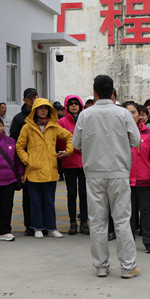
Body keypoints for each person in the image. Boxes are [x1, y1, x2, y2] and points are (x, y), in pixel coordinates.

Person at [73, 75, 141, 279]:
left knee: (97, 222)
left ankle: (101, 266)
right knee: (122, 220)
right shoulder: (123, 113)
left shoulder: (85, 115)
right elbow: (136, 140)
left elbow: (76, 144)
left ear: (94, 93)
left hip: (94, 174)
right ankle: (128, 267)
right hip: (118, 172)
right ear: (112, 92)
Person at [16, 98, 73, 238]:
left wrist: (67, 151)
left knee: (49, 202)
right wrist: (28, 160)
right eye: (40, 108)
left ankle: (52, 228)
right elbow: (19, 146)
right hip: (33, 171)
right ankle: (38, 228)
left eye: (45, 108)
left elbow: (70, 136)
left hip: (50, 170)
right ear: (35, 110)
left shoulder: (54, 126)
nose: (43, 111)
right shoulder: (27, 127)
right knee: (35, 202)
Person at [125, 102, 150, 254]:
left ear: (139, 114)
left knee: (146, 210)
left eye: (133, 112)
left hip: (144, 178)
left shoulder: (148, 133)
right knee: (129, 212)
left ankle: (148, 241)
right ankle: (129, 242)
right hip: (125, 179)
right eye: (127, 112)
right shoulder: (120, 133)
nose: (131, 115)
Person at [58, 95, 89, 235]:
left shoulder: (85, 119)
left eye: (76, 103)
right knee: (71, 194)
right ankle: (72, 223)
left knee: (84, 194)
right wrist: (76, 148)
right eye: (71, 104)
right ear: (67, 106)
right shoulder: (61, 122)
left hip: (84, 163)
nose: (74, 106)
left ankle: (84, 222)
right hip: (69, 163)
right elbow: (60, 142)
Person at [10, 87, 38, 235]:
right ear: (24, 100)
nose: (33, 100)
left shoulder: (43, 115)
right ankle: (29, 225)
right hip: (25, 161)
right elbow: (14, 141)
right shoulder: (19, 119)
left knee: (42, 195)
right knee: (28, 195)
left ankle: (43, 223)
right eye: (30, 98)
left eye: (35, 97)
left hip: (42, 161)